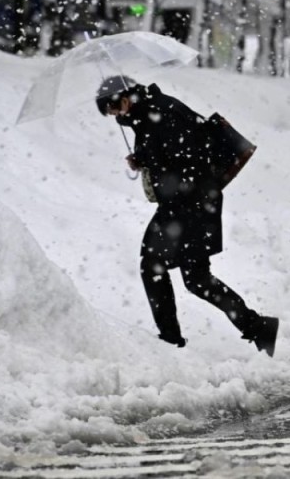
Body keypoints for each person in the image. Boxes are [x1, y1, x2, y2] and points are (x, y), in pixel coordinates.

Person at [95, 75, 279, 356]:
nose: (115, 116)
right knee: (193, 278)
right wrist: (143, 159)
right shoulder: (146, 115)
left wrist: (149, 159)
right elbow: (166, 153)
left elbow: (189, 158)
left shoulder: (163, 112)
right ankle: (257, 327)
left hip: (191, 203)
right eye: (110, 113)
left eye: (114, 108)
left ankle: (171, 341)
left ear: (124, 97)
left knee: (159, 267)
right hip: (186, 203)